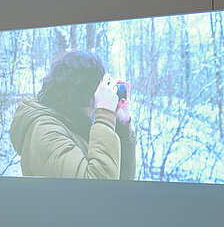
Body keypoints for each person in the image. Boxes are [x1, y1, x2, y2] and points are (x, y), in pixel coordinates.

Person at [10, 50, 136, 179]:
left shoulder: (75, 123)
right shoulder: (45, 131)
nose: (96, 100)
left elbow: (120, 186)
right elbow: (98, 191)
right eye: (94, 92)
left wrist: (122, 128)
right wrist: (105, 117)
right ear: (75, 92)